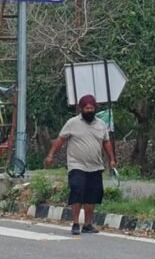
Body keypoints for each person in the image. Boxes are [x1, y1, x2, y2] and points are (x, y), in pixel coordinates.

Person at [44, 94, 116, 235]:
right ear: (81, 109)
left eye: (91, 108)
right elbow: (60, 139)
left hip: (95, 166)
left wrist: (111, 159)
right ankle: (76, 223)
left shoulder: (101, 125)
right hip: (76, 165)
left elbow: (106, 142)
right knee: (77, 190)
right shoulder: (72, 123)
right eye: (86, 108)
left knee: (92, 195)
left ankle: (88, 224)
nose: (89, 110)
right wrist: (51, 154)